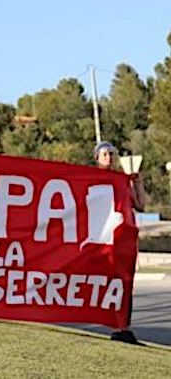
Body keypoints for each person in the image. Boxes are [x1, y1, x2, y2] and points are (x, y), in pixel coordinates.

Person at [94, 141, 146, 345]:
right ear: (97, 157)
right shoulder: (91, 179)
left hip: (122, 241)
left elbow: (140, 205)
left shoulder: (121, 181)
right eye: (105, 154)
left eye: (112, 154)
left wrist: (138, 183)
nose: (109, 157)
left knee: (124, 283)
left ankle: (123, 328)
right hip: (101, 240)